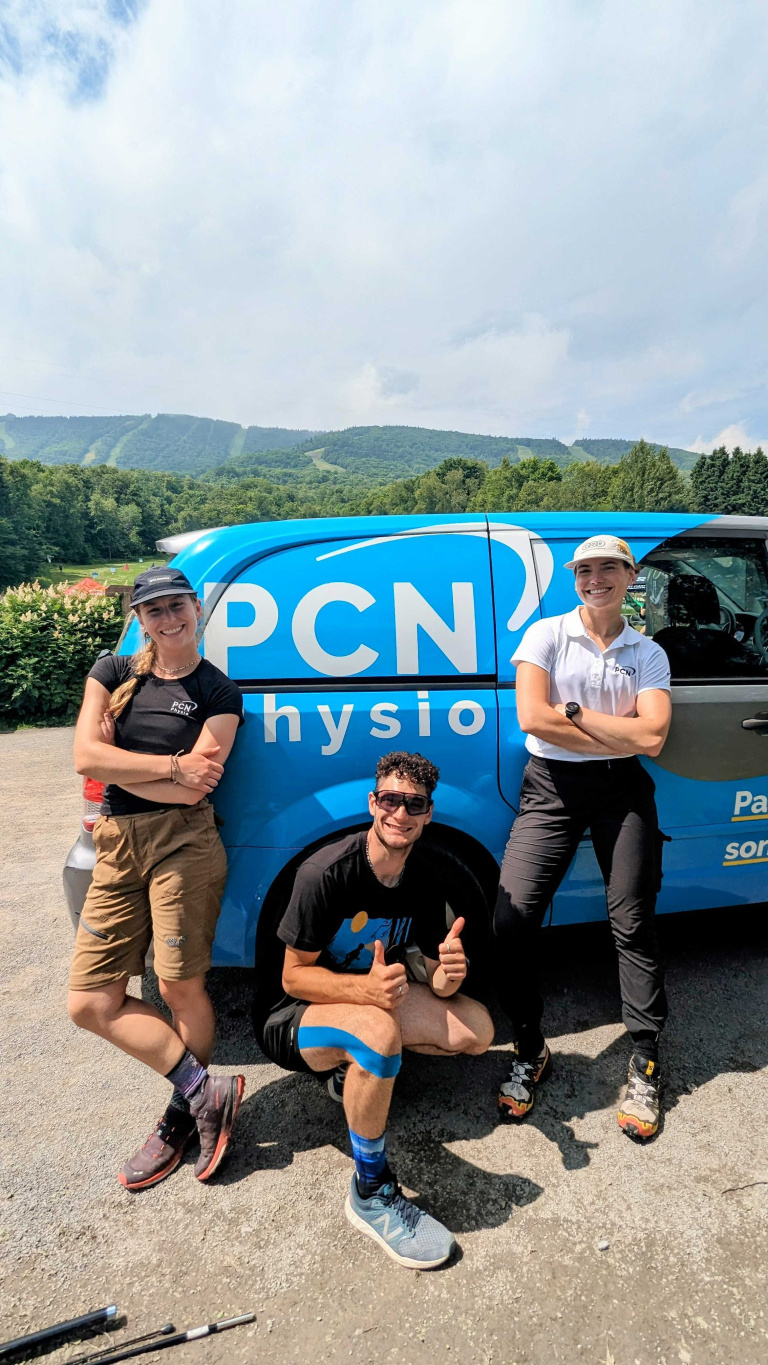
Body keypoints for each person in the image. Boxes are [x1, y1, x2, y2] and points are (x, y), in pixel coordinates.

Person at [255, 751, 495, 1269]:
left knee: (477, 1030)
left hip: (370, 1001)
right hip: (294, 1016)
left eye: (415, 804)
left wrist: (450, 974)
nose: (400, 814)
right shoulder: (326, 872)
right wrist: (366, 993)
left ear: (428, 813)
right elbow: (292, 978)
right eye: (390, 799)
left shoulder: (425, 874)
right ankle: (370, 1190)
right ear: (372, 803)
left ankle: (356, 1074)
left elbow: (438, 980)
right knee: (377, 1034)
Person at [67, 567, 246, 1190]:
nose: (168, 618)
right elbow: (85, 758)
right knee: (89, 1003)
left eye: (177, 605)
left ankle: (180, 1118)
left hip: (185, 842)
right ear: (140, 620)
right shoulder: (113, 671)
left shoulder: (219, 692)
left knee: (178, 987)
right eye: (154, 610)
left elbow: (198, 786)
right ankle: (204, 1090)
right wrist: (171, 767)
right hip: (118, 843)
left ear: (197, 608)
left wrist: (127, 765)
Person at [493, 535, 672, 1140]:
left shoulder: (648, 651)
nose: (595, 579)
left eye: (608, 568)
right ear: (575, 579)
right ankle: (529, 1048)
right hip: (552, 786)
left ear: (630, 575)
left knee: (633, 921)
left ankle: (645, 1058)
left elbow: (653, 739)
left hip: (623, 790)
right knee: (512, 919)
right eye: (585, 569)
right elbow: (531, 717)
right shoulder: (546, 635)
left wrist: (572, 713)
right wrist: (617, 730)